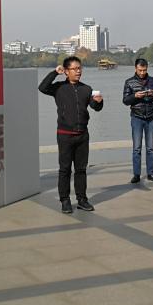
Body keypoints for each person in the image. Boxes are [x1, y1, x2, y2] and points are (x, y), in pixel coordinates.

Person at [38, 57, 103, 214]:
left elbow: (96, 107)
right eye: (75, 69)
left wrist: (99, 101)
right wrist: (55, 72)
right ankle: (65, 200)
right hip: (65, 135)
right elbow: (42, 87)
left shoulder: (86, 89)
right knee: (65, 169)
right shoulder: (59, 88)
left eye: (80, 68)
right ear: (66, 71)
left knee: (81, 169)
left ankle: (82, 199)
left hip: (82, 135)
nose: (78, 71)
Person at [122, 58, 153, 184]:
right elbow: (125, 101)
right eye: (140, 70)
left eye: (144, 70)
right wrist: (135, 96)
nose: (142, 73)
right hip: (137, 117)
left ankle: (151, 173)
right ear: (135, 68)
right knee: (137, 148)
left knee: (150, 147)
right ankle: (136, 174)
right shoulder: (129, 82)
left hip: (151, 117)